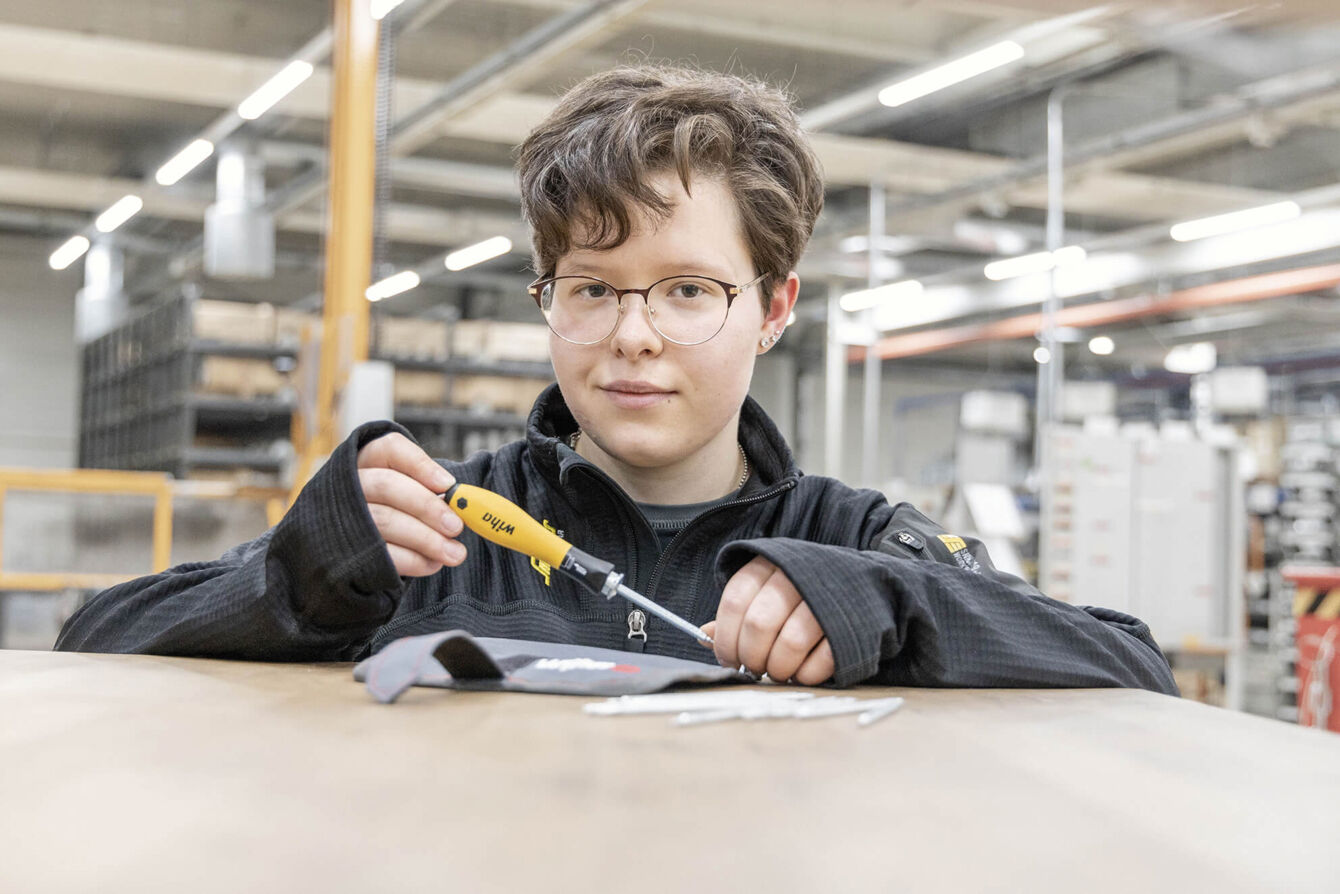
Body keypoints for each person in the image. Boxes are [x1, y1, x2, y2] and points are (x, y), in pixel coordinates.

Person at [56, 65, 1177, 694]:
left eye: (687, 290)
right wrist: (293, 584)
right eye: (590, 289)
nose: (631, 336)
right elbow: (93, 637)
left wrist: (888, 605)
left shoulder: (855, 542)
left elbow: (1130, 661)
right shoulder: (437, 536)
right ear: (547, 297)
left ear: (773, 307)